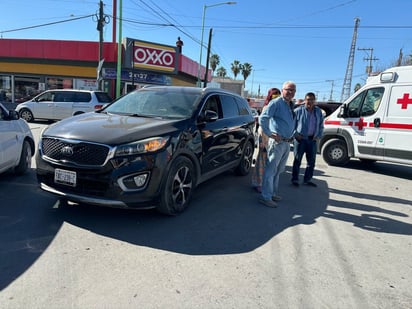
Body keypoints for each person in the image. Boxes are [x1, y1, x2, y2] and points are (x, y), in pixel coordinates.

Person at [258, 81, 297, 208]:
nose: (290, 92)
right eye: (288, 90)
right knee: (270, 170)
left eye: (293, 90)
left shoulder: (290, 105)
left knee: (278, 170)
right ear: (283, 90)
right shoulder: (276, 103)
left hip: (286, 143)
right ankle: (266, 197)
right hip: (277, 143)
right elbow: (263, 118)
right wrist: (269, 133)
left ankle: (272, 193)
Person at [251, 87, 281, 193]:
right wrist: (263, 142)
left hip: (273, 139)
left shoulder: (279, 107)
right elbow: (263, 125)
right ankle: (258, 183)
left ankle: (266, 184)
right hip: (264, 137)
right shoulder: (267, 107)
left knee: (270, 163)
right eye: (274, 94)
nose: (276, 96)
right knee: (261, 162)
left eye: (278, 94)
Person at [291, 92, 324, 187]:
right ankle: (295, 179)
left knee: (311, 162)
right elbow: (292, 125)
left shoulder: (318, 112)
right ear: (305, 100)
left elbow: (321, 125)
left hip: (312, 140)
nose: (310, 101)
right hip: (300, 139)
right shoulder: (298, 111)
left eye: (312, 99)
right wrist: (295, 134)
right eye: (308, 99)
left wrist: (319, 135)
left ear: (315, 101)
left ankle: (307, 179)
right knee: (297, 160)